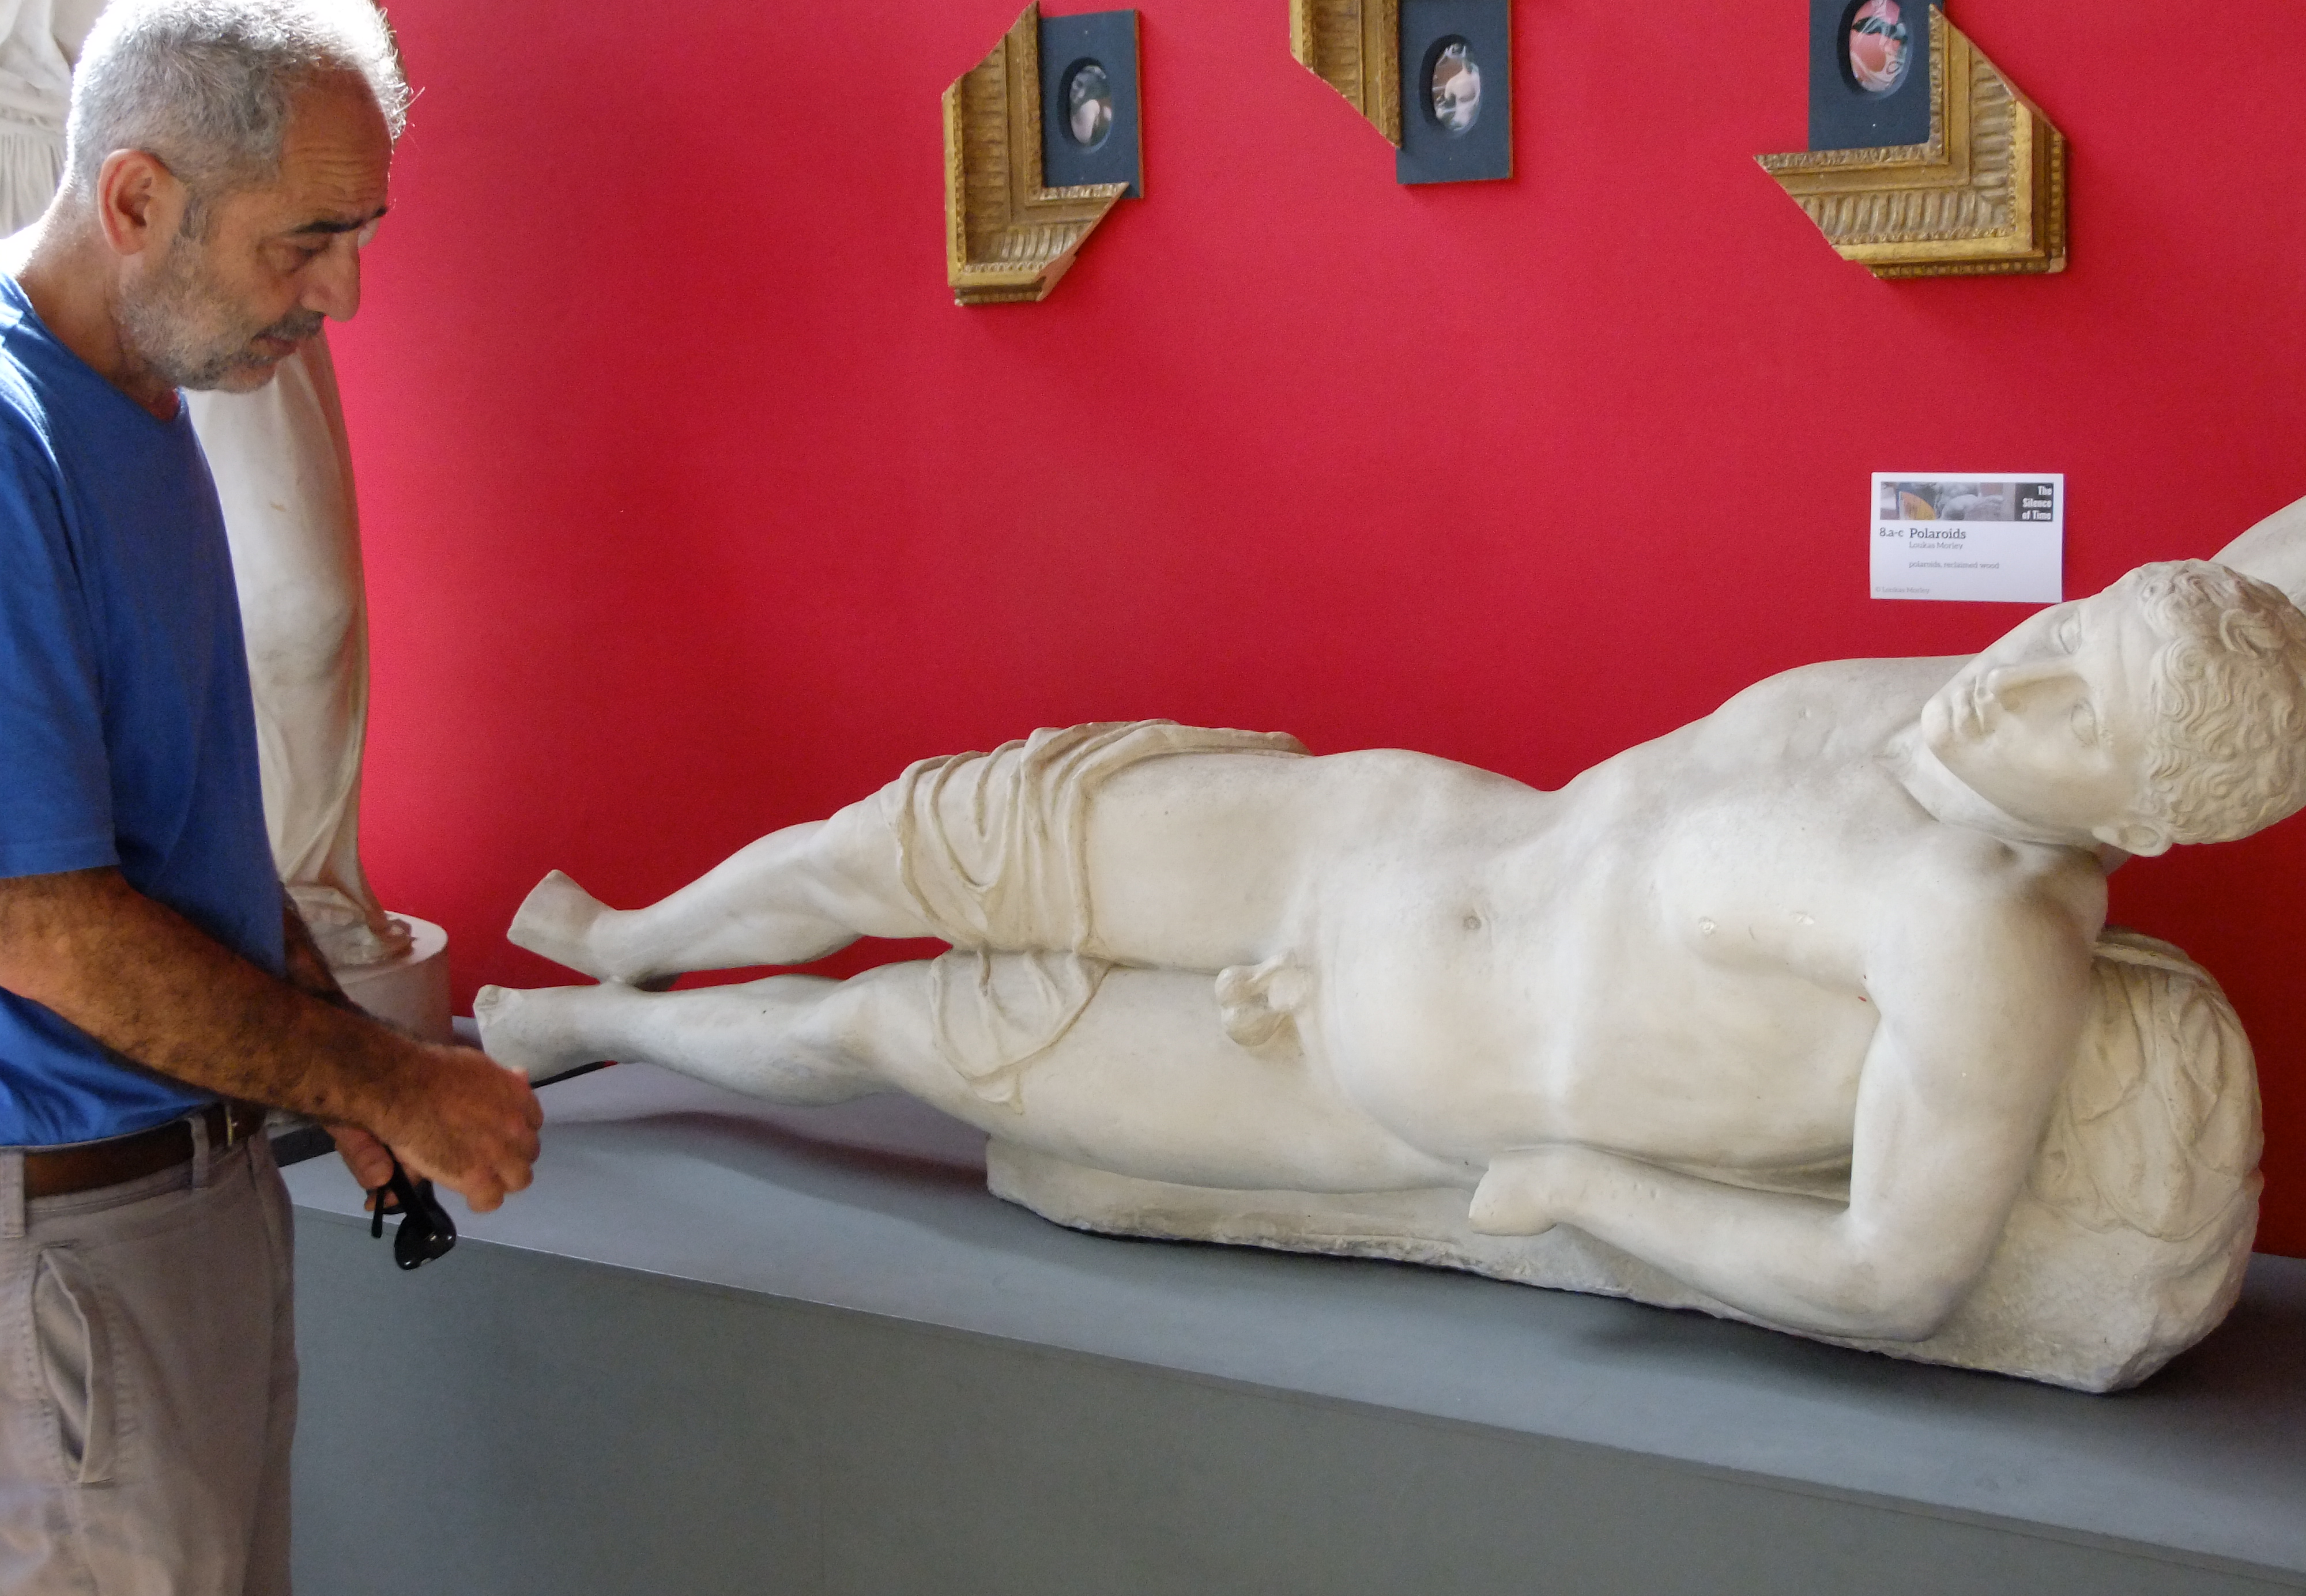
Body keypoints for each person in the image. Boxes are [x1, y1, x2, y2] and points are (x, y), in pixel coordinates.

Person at [478, 559, 2306, 1353]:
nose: (2023, 673)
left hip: (1372, 1082)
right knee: (920, 833)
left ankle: (590, 1035)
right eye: (2072, 626)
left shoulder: (1986, 937)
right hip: (1369, 837)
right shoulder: (1954, 702)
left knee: (905, 1026)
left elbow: (1894, 1275)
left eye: (2081, 714)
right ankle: (634, 943)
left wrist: (1584, 1188)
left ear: (2137, 820)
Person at [0, 0, 538, 1593]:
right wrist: (388, 1084)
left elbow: (178, 842)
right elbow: (40, 926)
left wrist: (322, 1061)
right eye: (302, 240)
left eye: (356, 237)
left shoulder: (141, 408)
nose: (340, 298)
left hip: (171, 1216)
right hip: (72, 1254)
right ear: (139, 196)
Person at [1, 0, 413, 971]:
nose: (350, 292)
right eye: (328, 254)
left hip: (233, 183)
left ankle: (290, 909)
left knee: (298, 605)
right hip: (42, 154)